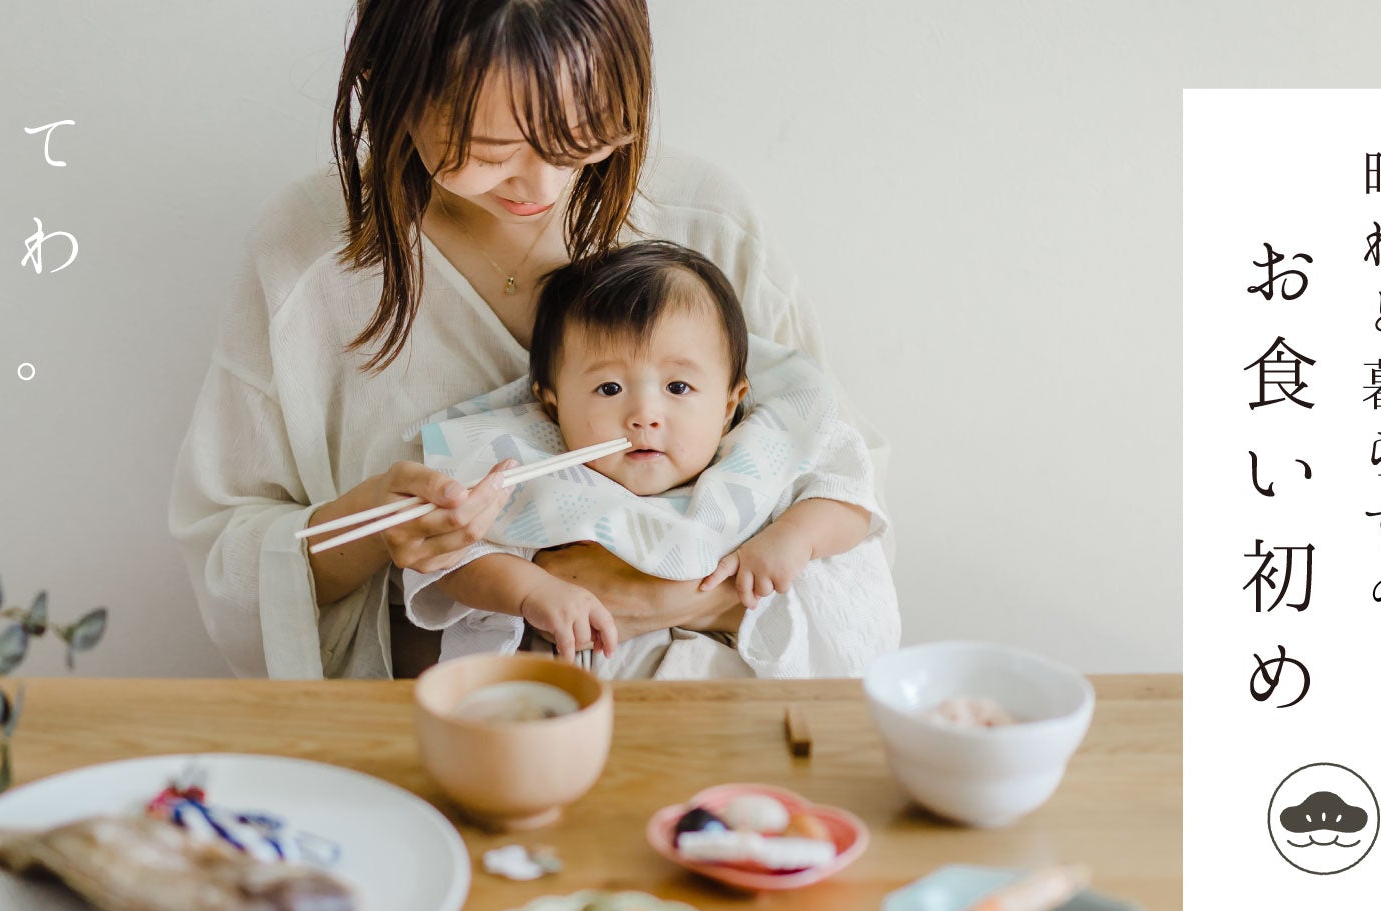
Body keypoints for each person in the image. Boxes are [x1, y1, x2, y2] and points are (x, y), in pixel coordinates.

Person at [168, 0, 897, 679]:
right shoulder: (305, 258)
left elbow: (843, 494)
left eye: (583, 135)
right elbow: (230, 558)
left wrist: (671, 595)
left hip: (718, 727)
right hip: (445, 722)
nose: (542, 185)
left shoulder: (706, 223)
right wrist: (378, 527)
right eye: (488, 151)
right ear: (388, 85)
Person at [401, 240, 888, 678]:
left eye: (678, 387)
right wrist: (532, 591)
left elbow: (849, 501)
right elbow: (456, 559)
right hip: (581, 706)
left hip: (735, 703)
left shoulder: (760, 457)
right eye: (609, 388)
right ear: (552, 404)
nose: (644, 415)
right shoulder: (532, 467)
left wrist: (793, 537)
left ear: (728, 404)